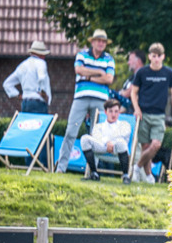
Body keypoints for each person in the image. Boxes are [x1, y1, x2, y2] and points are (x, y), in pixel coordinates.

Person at [56, 29, 115, 173]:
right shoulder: (82, 54)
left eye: (103, 41)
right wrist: (99, 72)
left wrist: (89, 77)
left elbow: (109, 79)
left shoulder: (109, 59)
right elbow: (78, 70)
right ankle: (61, 168)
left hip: (100, 100)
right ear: (92, 42)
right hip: (81, 98)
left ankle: (92, 171)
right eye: (98, 40)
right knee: (71, 131)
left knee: (97, 136)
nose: (101, 43)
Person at [130, 42, 172, 183]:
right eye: (153, 56)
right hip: (143, 114)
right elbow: (133, 92)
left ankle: (137, 167)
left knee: (156, 145)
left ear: (163, 57)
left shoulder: (169, 73)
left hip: (159, 115)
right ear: (149, 56)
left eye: (159, 56)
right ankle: (149, 176)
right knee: (145, 146)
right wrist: (137, 109)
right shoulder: (142, 72)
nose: (156, 58)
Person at [78, 98, 132, 183]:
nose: (113, 114)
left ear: (119, 112)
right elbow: (97, 137)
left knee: (121, 142)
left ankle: (125, 175)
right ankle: (94, 173)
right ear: (105, 112)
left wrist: (111, 142)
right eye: (110, 111)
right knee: (85, 138)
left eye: (116, 111)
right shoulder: (99, 126)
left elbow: (122, 136)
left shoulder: (124, 125)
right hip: (103, 147)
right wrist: (107, 142)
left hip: (117, 149)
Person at [3, 40, 52, 114]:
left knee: (27, 121)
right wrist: (43, 93)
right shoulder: (41, 63)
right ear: (41, 54)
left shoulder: (22, 65)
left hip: (25, 102)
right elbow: (42, 78)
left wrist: (18, 95)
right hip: (38, 102)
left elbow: (7, 84)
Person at [114, 49, 145, 113]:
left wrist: (121, 93)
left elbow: (128, 93)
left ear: (138, 61)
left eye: (130, 60)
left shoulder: (143, 76)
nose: (128, 63)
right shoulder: (132, 77)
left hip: (134, 112)